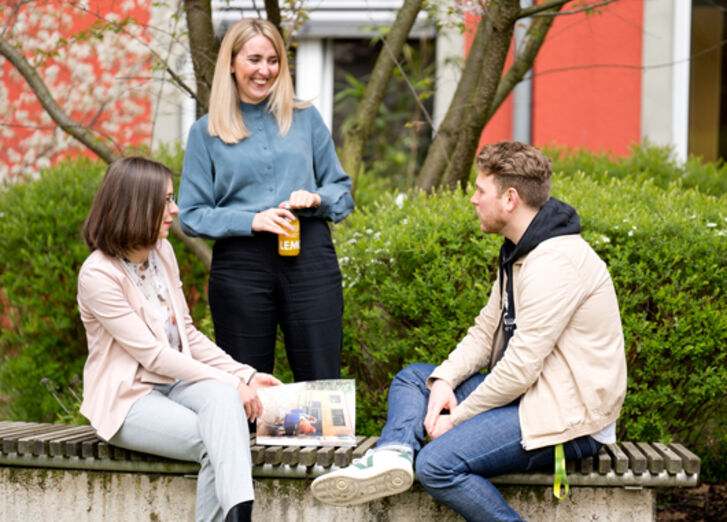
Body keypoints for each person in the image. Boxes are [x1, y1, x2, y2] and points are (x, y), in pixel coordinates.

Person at [311, 141, 628, 521]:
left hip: (569, 418)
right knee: (417, 379)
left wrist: (455, 420)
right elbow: (484, 333)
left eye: (480, 190)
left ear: (509, 199)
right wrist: (445, 379)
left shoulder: (554, 263)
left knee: (435, 466)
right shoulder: (521, 251)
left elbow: (519, 369)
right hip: (531, 394)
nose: (474, 199)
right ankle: (392, 455)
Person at [77, 157, 282, 522]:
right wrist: (232, 382)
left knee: (223, 401)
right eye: (166, 201)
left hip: (175, 384)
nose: (175, 210)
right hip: (128, 399)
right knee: (217, 440)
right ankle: (240, 515)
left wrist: (245, 375)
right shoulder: (98, 275)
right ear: (137, 205)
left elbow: (184, 332)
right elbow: (154, 355)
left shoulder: (162, 252)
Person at [178, 18, 354, 382]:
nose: (265, 70)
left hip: (309, 255)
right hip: (241, 265)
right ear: (231, 62)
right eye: (254, 59)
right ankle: (247, 443)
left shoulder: (306, 119)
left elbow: (341, 191)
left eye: (273, 60)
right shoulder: (205, 132)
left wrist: (316, 198)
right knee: (246, 383)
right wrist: (251, 220)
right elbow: (191, 215)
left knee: (322, 382)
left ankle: (327, 443)